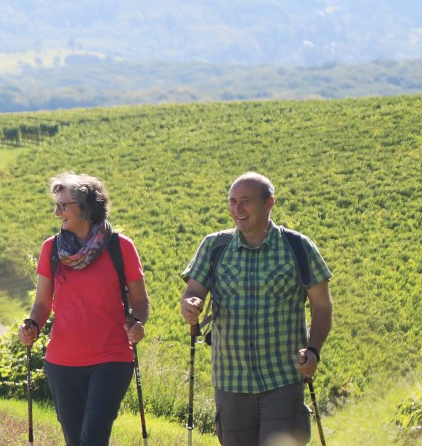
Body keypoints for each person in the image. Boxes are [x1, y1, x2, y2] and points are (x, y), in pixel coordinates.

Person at [179, 172, 333, 445]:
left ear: (269, 203)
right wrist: (190, 304)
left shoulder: (298, 247)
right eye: (232, 201)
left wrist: (313, 351)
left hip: (283, 377)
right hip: (231, 379)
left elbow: (322, 306)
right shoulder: (214, 246)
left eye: (246, 201)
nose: (237, 209)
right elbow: (193, 291)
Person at [19, 172, 150, 446]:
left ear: (87, 207)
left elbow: (140, 301)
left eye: (63, 206)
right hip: (62, 362)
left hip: (112, 358)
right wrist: (31, 326)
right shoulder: (52, 249)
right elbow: (42, 304)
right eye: (56, 205)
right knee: (74, 440)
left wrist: (138, 322)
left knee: (93, 438)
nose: (57, 212)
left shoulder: (120, 246)